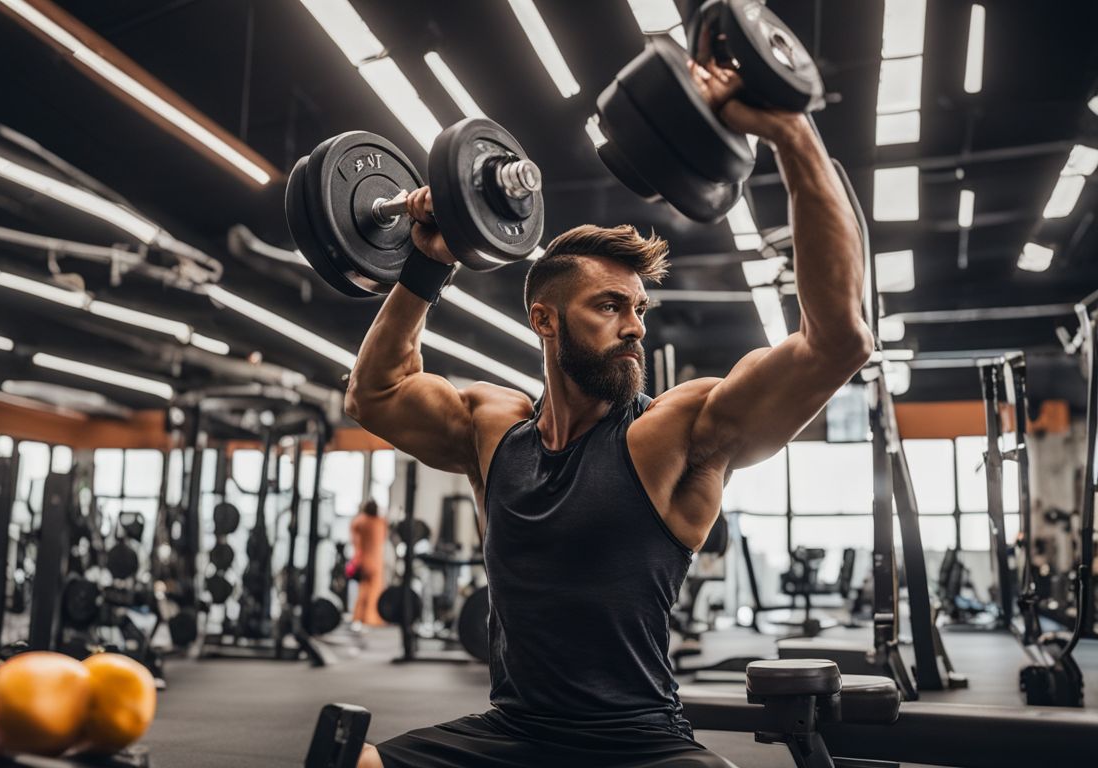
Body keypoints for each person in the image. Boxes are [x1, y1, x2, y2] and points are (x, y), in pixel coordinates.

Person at [342, 59, 873, 768]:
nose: (635, 327)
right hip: (515, 735)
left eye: (639, 309)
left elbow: (836, 343)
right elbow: (373, 394)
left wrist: (792, 135)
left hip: (641, 747)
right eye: (610, 306)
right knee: (352, 761)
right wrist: (426, 267)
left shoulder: (676, 433)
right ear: (545, 319)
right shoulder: (492, 430)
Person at [348, 499, 389, 629]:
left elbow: (355, 541)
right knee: (375, 592)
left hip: (364, 560)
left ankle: (359, 617)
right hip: (376, 561)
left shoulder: (359, 521)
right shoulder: (381, 522)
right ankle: (372, 619)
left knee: (363, 590)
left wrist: (357, 558)